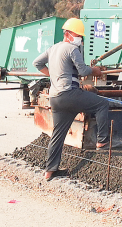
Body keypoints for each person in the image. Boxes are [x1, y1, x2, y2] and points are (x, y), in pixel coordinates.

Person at [33, 18, 112, 181]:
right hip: (69, 94)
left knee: (58, 134)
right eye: (78, 35)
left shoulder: (53, 49)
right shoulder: (71, 49)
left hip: (55, 98)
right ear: (68, 35)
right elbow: (83, 71)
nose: (80, 39)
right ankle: (102, 142)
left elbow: (37, 63)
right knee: (102, 104)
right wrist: (95, 71)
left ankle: (50, 171)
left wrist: (52, 74)